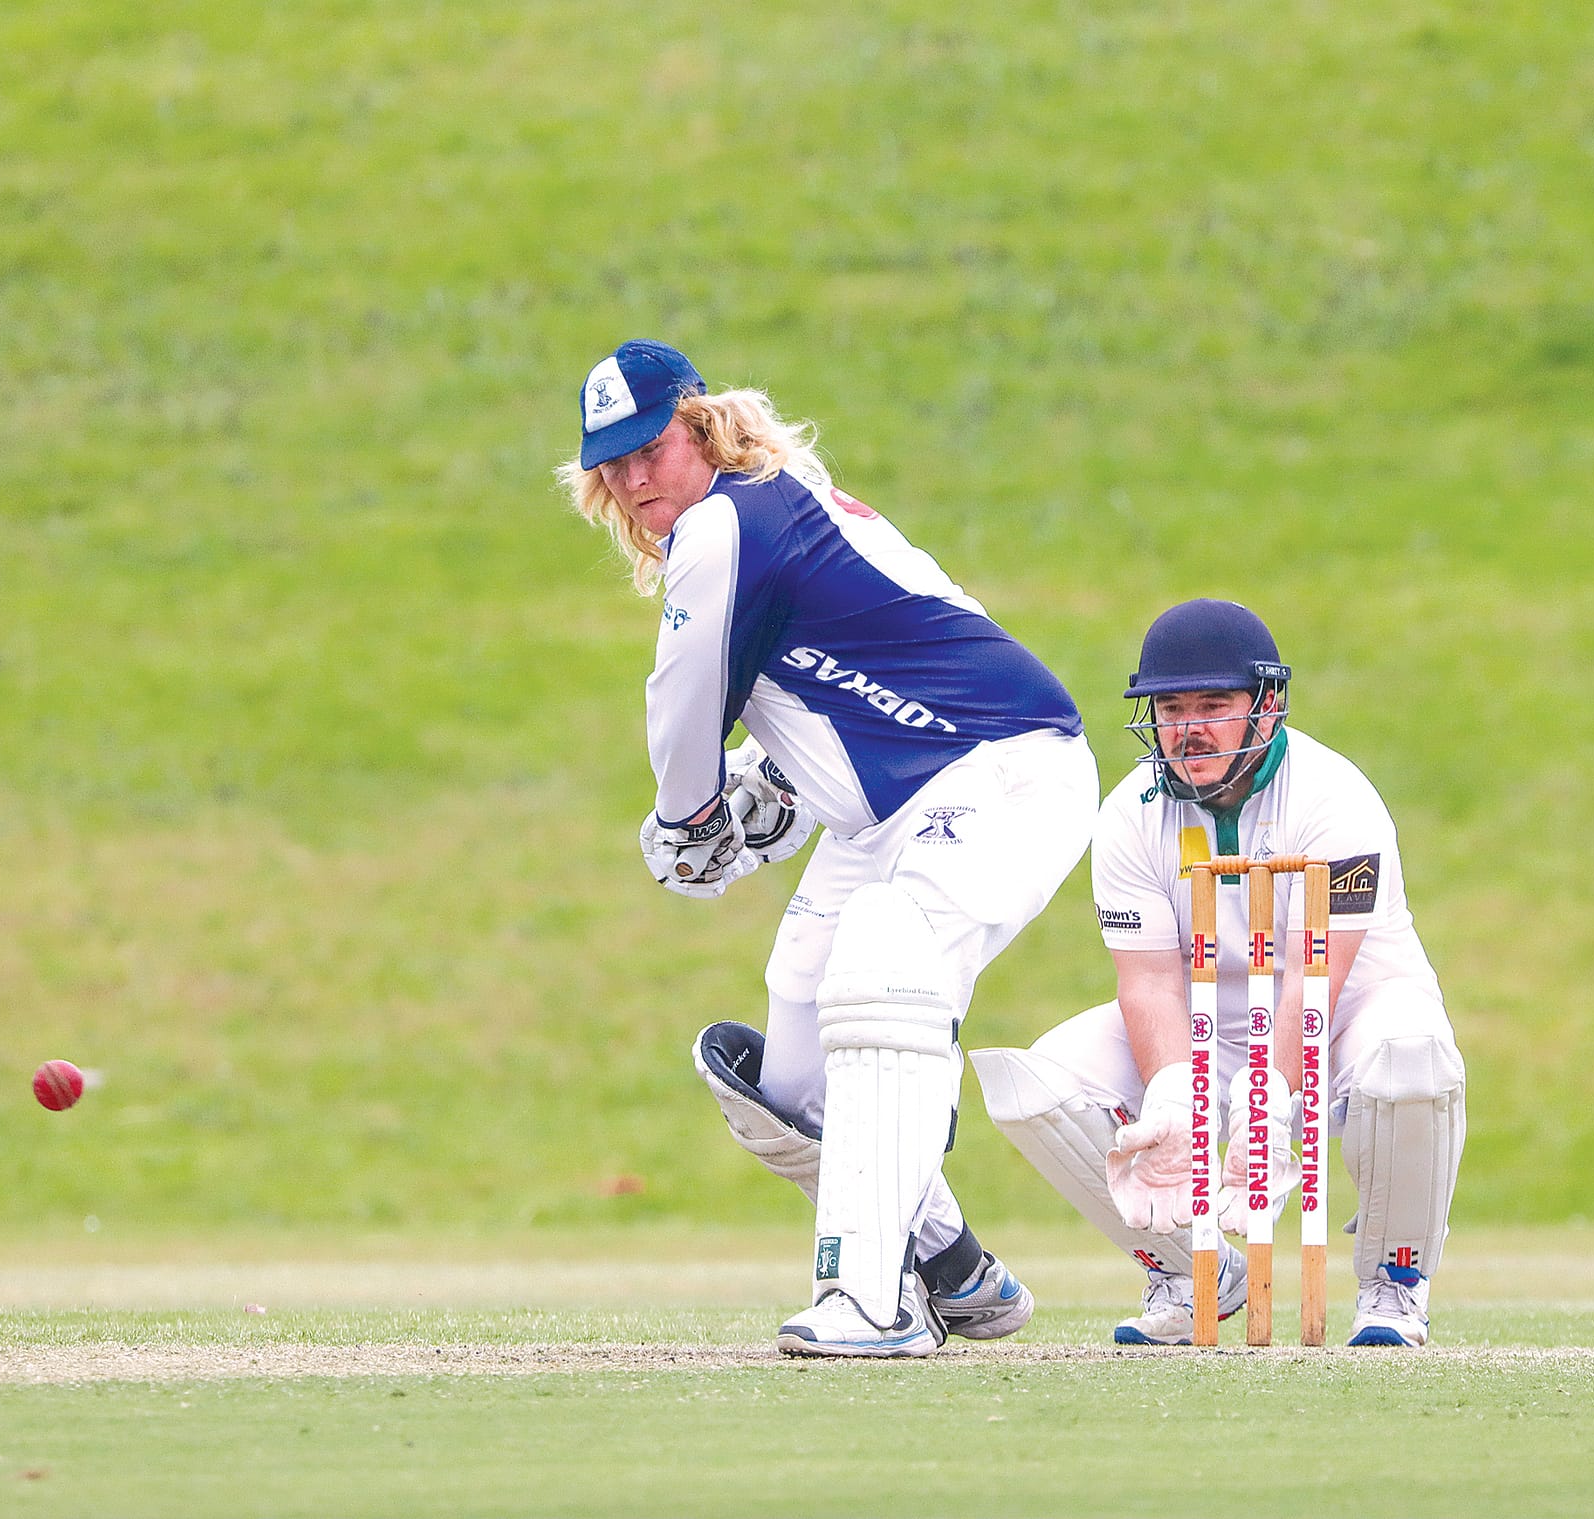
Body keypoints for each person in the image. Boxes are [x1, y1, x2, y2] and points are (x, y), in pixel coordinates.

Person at [559, 340, 1100, 1357]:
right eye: (611, 462)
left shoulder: (731, 520)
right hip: (887, 805)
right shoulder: (767, 511)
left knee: (883, 973)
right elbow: (828, 711)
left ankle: (870, 1301)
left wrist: (690, 817)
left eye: (650, 447)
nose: (633, 479)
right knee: (796, 1072)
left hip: (995, 768)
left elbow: (678, 708)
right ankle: (954, 1269)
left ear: (699, 425)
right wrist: (766, 795)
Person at [971, 598, 1465, 1347]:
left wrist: (1271, 1093)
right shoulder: (1130, 815)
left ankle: (1394, 1284)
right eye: (1170, 706)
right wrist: (1174, 1092)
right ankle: (1190, 1268)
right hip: (1207, 1027)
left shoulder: (1338, 801)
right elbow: (1149, 983)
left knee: (1411, 1059)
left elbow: (1312, 979)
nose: (1188, 726)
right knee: (1038, 1087)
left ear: (1266, 707)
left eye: (1213, 704)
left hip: (1345, 1015)